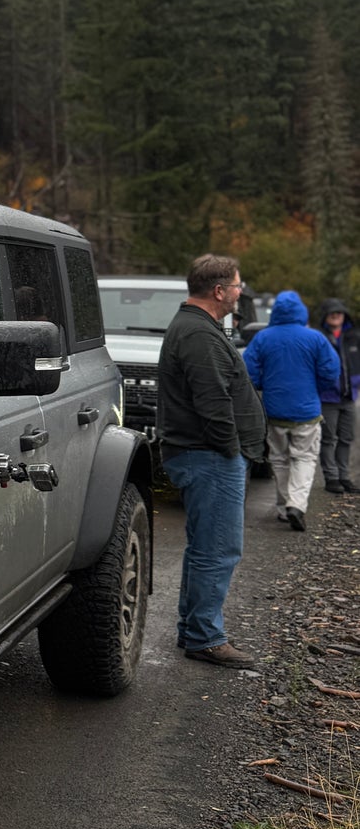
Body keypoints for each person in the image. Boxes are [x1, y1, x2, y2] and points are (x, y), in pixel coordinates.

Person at [157, 254, 267, 667]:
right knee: (218, 550)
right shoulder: (199, 335)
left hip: (205, 456)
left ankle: (194, 629)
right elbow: (213, 403)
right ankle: (205, 636)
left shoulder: (196, 327)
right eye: (238, 287)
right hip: (209, 458)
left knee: (206, 547)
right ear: (220, 291)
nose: (241, 293)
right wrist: (231, 451)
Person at [242, 291, 342, 531]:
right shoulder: (315, 338)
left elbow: (249, 372)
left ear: (275, 311)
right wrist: (313, 389)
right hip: (306, 411)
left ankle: (284, 508)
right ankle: (296, 504)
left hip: (275, 410)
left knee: (279, 459)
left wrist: (265, 385)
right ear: (302, 311)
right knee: (305, 458)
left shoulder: (263, 338)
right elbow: (331, 371)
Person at [314, 299, 360, 494]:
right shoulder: (318, 337)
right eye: (332, 313)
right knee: (328, 439)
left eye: (339, 312)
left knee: (346, 438)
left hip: (349, 397)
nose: (336, 316)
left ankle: (344, 477)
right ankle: (331, 478)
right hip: (327, 398)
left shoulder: (353, 336)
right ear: (325, 316)